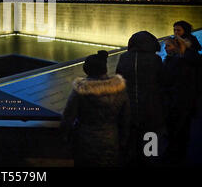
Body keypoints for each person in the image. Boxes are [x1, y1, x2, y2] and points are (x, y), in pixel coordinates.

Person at [61, 50, 131, 167]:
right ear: (104, 69)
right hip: (111, 139)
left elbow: (68, 117)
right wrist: (123, 140)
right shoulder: (119, 89)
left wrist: (65, 137)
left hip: (84, 140)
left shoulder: (80, 90)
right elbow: (126, 117)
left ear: (86, 69)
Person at [116, 31, 166, 166]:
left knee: (130, 141)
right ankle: (149, 160)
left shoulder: (124, 57)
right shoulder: (155, 59)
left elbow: (119, 79)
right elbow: (162, 81)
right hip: (151, 107)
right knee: (150, 141)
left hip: (129, 107)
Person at [161, 37, 200, 165]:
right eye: (165, 46)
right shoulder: (177, 61)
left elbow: (174, 83)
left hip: (177, 103)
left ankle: (174, 156)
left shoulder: (178, 63)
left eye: (168, 46)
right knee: (180, 131)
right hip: (180, 103)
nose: (166, 48)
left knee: (176, 131)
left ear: (176, 47)